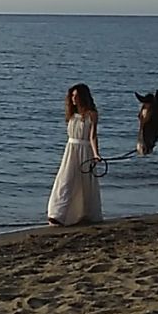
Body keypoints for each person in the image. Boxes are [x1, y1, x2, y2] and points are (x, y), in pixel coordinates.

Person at [47, 83, 103, 226]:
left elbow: (93, 136)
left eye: (76, 96)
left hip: (85, 150)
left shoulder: (92, 115)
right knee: (65, 180)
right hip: (71, 150)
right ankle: (57, 213)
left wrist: (96, 154)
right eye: (72, 96)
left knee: (84, 183)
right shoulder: (71, 115)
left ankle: (84, 214)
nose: (73, 98)